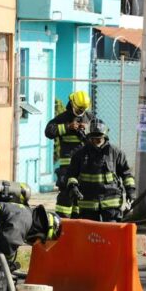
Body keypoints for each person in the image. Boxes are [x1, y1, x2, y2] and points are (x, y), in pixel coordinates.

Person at [66, 119, 136, 222]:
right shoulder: (80, 154)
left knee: (111, 233)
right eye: (94, 138)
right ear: (89, 136)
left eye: (99, 138)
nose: (96, 141)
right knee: (90, 235)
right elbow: (71, 175)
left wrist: (130, 190)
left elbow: (126, 174)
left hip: (111, 202)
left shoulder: (116, 153)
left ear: (105, 135)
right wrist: (73, 187)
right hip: (88, 203)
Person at [45, 90, 94, 218]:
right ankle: (63, 225)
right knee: (66, 198)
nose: (80, 112)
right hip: (67, 167)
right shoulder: (63, 118)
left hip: (85, 166)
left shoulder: (89, 117)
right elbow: (49, 131)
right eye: (78, 110)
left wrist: (88, 129)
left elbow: (102, 132)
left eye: (82, 110)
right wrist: (67, 127)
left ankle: (78, 224)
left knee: (82, 198)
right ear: (72, 103)